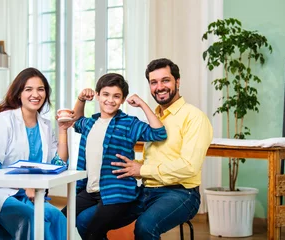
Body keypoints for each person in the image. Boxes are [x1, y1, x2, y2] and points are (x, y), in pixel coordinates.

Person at [77, 58, 213, 240]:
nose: (160, 87)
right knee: (85, 220)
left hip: (181, 193)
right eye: (154, 82)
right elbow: (157, 158)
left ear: (177, 82)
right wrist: (134, 166)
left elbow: (189, 167)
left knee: (145, 227)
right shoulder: (155, 116)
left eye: (165, 80)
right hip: (147, 191)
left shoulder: (194, 117)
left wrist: (142, 169)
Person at [62, 73, 167, 240]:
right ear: (97, 95)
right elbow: (76, 120)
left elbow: (159, 133)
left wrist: (142, 104)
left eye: (116, 96)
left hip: (116, 192)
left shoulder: (128, 124)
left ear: (123, 99)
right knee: (61, 219)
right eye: (105, 94)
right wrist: (81, 99)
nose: (110, 100)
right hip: (90, 189)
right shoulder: (90, 123)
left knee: (92, 233)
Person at [0, 67, 72, 240]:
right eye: (28, 89)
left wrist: (62, 131)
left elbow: (58, 164)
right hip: (1, 193)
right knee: (30, 219)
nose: (35, 94)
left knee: (58, 218)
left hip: (31, 194)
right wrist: (24, 185)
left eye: (41, 89)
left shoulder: (45, 125)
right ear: (18, 94)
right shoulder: (3, 121)